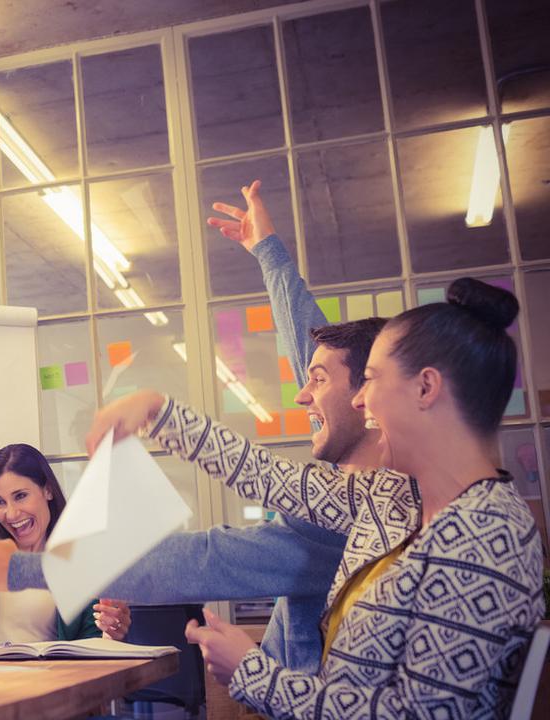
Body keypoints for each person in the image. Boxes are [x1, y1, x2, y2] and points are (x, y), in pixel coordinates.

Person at [89, 278, 542, 718]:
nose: (360, 401)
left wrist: (253, 673)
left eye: (371, 380)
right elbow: (267, 476)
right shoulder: (395, 497)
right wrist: (155, 410)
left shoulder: (485, 534)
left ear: (425, 388)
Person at [0, 180, 367, 673]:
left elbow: (201, 559)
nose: (303, 394)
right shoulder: (346, 495)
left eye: (319, 382)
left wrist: (23, 569)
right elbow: (317, 355)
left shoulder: (345, 523)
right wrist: (270, 255)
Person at [0, 309, 130, 647]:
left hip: (44, 685)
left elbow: (92, 641)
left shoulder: (79, 555)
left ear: (46, 490)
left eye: (20, 496)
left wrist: (110, 630)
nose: (10, 514)